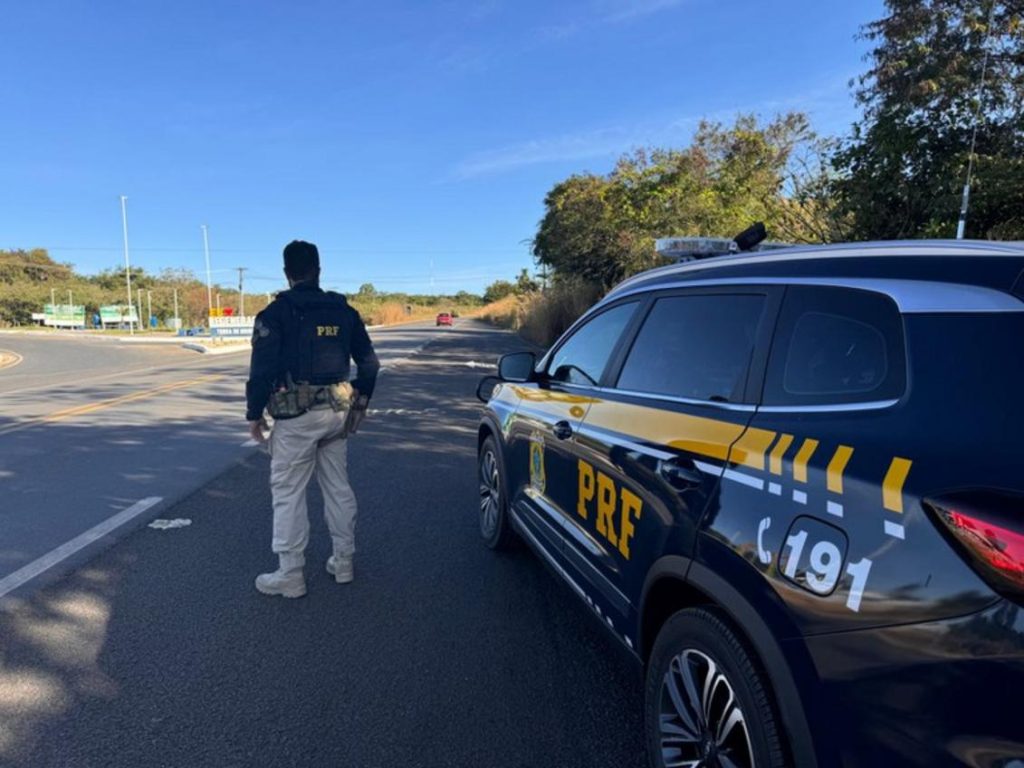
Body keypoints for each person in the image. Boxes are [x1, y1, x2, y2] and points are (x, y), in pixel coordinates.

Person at [246, 240, 380, 598]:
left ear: (286, 273)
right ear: (319, 270)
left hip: (296, 419)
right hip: (337, 414)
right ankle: (344, 561)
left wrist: (254, 414)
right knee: (337, 485)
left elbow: (261, 371)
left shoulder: (275, 314)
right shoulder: (344, 311)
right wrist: (361, 404)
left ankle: (290, 574)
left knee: (288, 491)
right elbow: (369, 364)